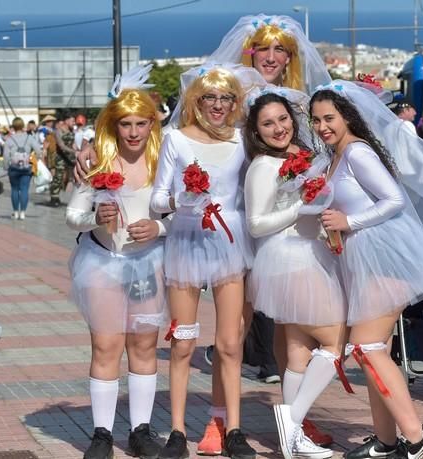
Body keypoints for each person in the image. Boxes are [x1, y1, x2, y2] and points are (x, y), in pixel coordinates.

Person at [181, 13, 334, 452]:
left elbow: (320, 149)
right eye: (263, 49)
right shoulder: (230, 97)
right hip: (239, 229)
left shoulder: (298, 104)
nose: (271, 57)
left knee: (293, 335)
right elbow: (189, 139)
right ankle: (218, 420)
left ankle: (295, 422)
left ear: (290, 56)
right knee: (232, 335)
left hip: (287, 235)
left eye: (280, 50)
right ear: (249, 52)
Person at [309, 80, 423, 459]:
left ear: (348, 116)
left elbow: (393, 200)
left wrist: (349, 221)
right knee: (377, 349)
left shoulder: (356, 152)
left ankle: (417, 435)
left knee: (366, 347)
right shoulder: (336, 156)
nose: (323, 126)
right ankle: (386, 439)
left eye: (330, 118)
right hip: (360, 257)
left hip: (383, 256)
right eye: (317, 120)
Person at [150, 64, 261, 459]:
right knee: (182, 343)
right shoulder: (175, 139)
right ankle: (177, 432)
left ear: (235, 103)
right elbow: (157, 199)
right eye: (209, 97)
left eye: (225, 98)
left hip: (231, 242)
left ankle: (233, 429)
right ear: (196, 101)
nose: (217, 105)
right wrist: (182, 200)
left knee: (231, 345)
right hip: (186, 243)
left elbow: (260, 183)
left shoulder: (242, 140)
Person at [65, 64, 168, 459]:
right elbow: (73, 215)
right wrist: (96, 218)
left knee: (144, 345)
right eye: (125, 123)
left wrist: (158, 230)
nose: (133, 132)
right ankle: (102, 433)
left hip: (149, 264)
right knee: (106, 345)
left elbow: (184, 214)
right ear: (113, 124)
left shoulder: (163, 163)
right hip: (103, 262)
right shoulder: (98, 163)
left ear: (151, 124)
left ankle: (140, 429)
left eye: (141, 123)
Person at [244, 88, 346, 459]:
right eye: (268, 123)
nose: (278, 128)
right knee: (335, 342)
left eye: (283, 119)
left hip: (312, 254)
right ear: (256, 131)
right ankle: (292, 422)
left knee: (298, 350)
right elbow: (256, 224)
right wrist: (302, 206)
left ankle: (294, 436)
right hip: (288, 260)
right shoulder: (262, 166)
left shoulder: (308, 158)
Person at [3, 117, 43, 220]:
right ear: (23, 125)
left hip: (13, 168)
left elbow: (6, 155)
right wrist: (35, 160)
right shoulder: (29, 138)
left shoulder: (9, 140)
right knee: (24, 189)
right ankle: (23, 213)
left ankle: (16, 212)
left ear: (13, 126)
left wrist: (6, 167)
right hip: (26, 167)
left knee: (15, 189)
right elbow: (39, 151)